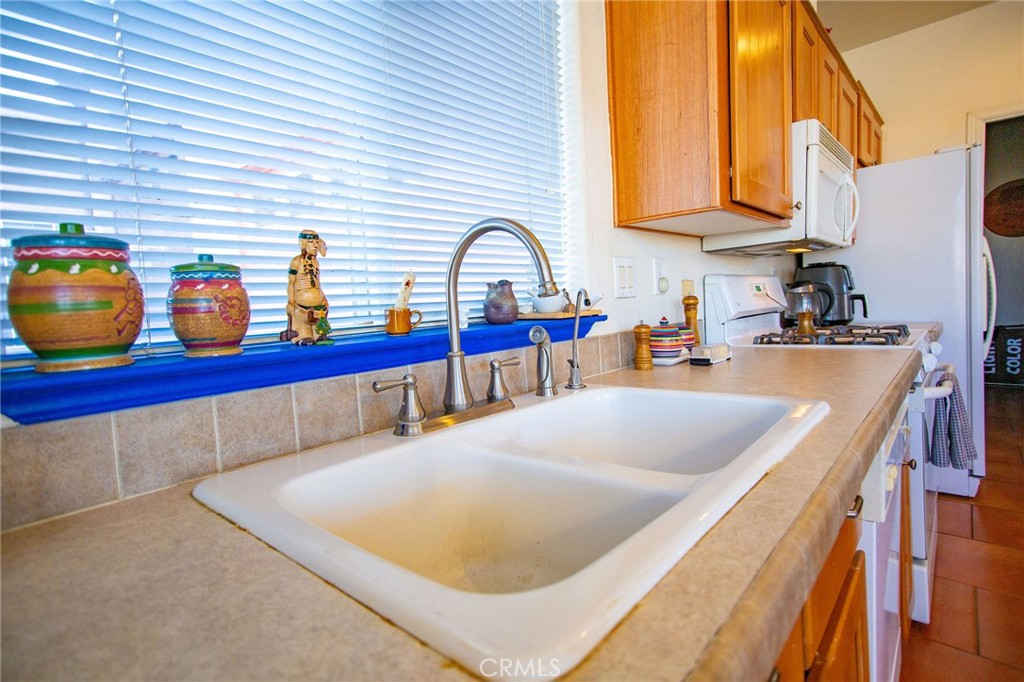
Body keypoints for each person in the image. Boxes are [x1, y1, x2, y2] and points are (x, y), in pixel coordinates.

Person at [281, 229, 330, 345]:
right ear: (303, 243)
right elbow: (291, 284)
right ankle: (303, 335)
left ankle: (318, 334)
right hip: (301, 308)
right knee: (304, 331)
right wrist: (290, 302)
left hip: (317, 308)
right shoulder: (296, 262)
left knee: (319, 326)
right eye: (311, 242)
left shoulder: (316, 262)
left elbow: (317, 282)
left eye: (316, 242)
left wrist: (323, 298)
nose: (315, 245)